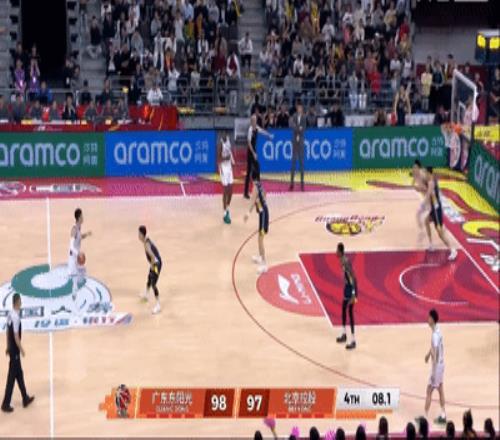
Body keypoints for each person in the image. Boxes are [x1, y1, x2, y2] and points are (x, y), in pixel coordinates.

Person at [1, 293, 35, 413]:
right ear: (17, 302)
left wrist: (7, 346)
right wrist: (21, 349)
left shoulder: (10, 314)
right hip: (15, 350)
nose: (21, 302)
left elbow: (7, 331)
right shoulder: (16, 317)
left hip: (12, 348)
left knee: (19, 374)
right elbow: (16, 336)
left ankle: (25, 398)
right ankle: (5, 404)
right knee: (12, 377)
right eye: (20, 301)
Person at [423, 167, 457, 260]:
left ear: (429, 173)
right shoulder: (431, 180)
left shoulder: (431, 182)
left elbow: (430, 195)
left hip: (436, 210)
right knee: (426, 221)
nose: (425, 174)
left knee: (440, 233)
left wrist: (426, 204)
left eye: (425, 173)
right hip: (433, 209)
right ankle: (431, 244)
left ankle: (453, 250)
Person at [421, 309, 447, 425]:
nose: (427, 319)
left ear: (432, 319)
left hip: (437, 367)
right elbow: (434, 347)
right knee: (440, 389)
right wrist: (428, 355)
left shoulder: (435, 335)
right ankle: (443, 414)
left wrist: (433, 372)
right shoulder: (438, 330)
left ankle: (424, 418)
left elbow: (435, 352)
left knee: (429, 391)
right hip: (441, 364)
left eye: (429, 317)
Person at [244, 164, 269, 275]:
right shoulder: (260, 185)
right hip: (264, 213)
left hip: (263, 215)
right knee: (260, 237)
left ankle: (264, 264)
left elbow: (252, 201)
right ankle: (260, 257)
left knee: (260, 239)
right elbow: (265, 194)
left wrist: (247, 214)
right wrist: (261, 203)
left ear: (251, 178)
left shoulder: (255, 188)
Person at [244, 114, 273, 199]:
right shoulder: (250, 130)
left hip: (254, 152)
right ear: (251, 121)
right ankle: (246, 193)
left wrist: (269, 135)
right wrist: (253, 153)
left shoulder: (256, 128)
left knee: (257, 168)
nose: (254, 122)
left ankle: (258, 190)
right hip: (250, 152)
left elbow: (262, 132)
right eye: (253, 120)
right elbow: (249, 143)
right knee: (249, 171)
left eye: (255, 120)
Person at [68, 209, 92, 310]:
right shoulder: (74, 229)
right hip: (73, 259)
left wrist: (86, 234)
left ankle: (82, 299)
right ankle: (74, 306)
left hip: (77, 258)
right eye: (82, 216)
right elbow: (71, 247)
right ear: (78, 218)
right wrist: (79, 254)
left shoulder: (78, 227)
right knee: (75, 282)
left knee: (83, 275)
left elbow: (79, 237)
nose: (83, 218)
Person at [336, 242, 357, 350]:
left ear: (340, 252)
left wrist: (353, 294)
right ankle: (344, 334)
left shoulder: (346, 262)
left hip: (351, 288)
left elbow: (353, 277)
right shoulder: (341, 260)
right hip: (347, 287)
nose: (335, 252)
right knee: (343, 309)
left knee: (350, 312)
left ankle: (353, 340)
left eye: (337, 250)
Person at [138, 226, 162, 314]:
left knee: (153, 284)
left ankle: (158, 305)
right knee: (149, 278)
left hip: (156, 265)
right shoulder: (146, 241)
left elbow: (152, 256)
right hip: (154, 263)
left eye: (139, 234)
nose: (138, 236)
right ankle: (147, 295)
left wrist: (152, 267)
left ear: (142, 234)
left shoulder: (146, 244)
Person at [289, 102, 306, 191]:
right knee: (293, 163)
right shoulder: (294, 116)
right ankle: (291, 183)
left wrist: (298, 128)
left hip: (301, 142)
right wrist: (298, 128)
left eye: (301, 108)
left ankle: (302, 184)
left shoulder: (304, 117)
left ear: (302, 109)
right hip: (295, 142)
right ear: (297, 108)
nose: (299, 109)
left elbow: (304, 128)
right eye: (298, 108)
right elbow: (292, 126)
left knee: (301, 163)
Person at [218, 133, 235, 224]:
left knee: (231, 190)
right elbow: (218, 159)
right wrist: (225, 158)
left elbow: (230, 151)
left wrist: (232, 159)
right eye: (223, 134)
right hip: (223, 168)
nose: (225, 135)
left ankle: (227, 207)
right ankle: (224, 213)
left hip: (229, 167)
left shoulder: (228, 140)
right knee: (225, 190)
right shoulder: (220, 144)